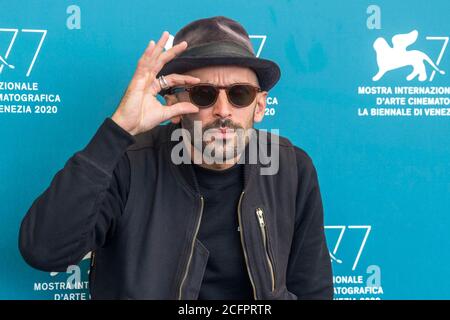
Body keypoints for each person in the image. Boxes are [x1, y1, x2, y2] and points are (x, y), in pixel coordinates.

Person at [19, 16, 333, 300]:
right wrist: (118, 130)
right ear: (173, 103)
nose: (223, 111)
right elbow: (44, 251)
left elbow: (312, 290)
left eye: (239, 94)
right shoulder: (128, 164)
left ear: (260, 106)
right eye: (203, 94)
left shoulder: (291, 168)